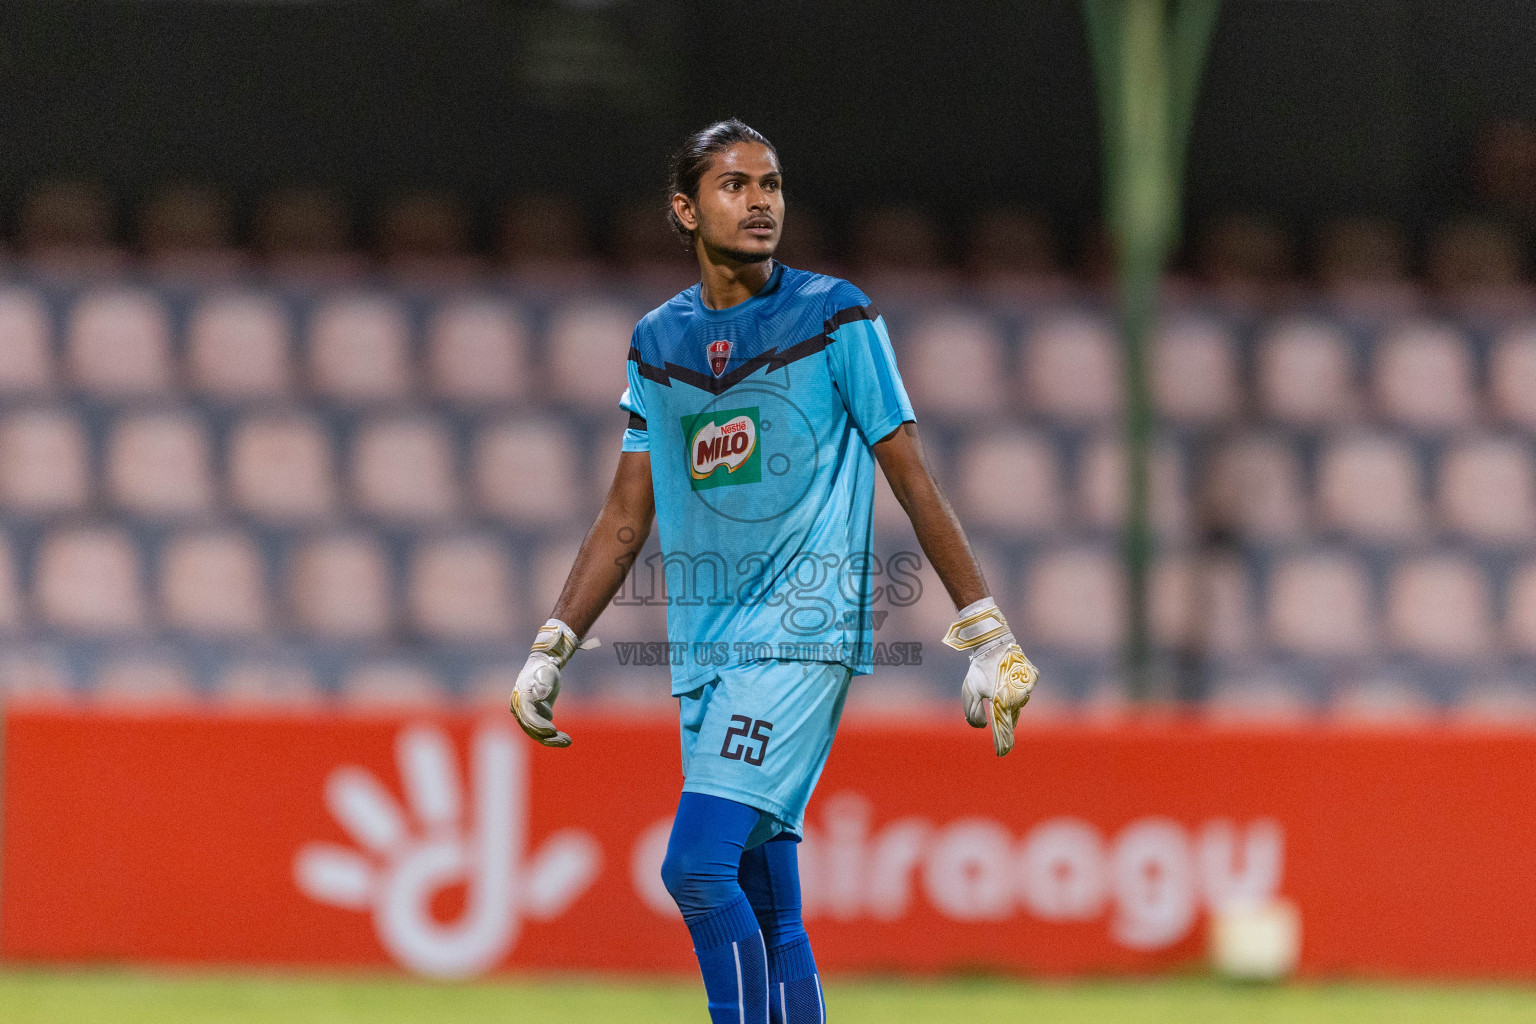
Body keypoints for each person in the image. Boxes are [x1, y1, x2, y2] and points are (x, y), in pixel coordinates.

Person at [510, 119, 1038, 1023]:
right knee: (766, 905)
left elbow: (909, 471)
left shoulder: (836, 316)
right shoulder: (657, 342)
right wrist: (552, 647)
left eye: (773, 185)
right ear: (685, 208)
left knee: (695, 866)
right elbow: (625, 515)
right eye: (735, 186)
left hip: (802, 633)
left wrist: (987, 632)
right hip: (706, 651)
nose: (761, 203)